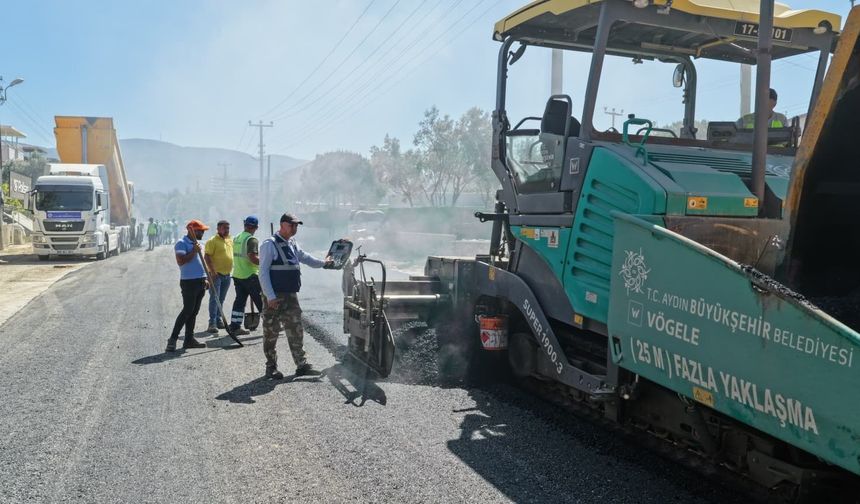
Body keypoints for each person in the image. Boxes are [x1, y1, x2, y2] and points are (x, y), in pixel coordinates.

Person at [259, 213, 333, 379]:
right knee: (271, 332)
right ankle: (271, 366)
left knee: (296, 330)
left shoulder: (292, 243)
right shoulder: (269, 245)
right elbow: (262, 273)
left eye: (296, 226)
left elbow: (305, 257)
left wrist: (324, 262)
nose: (295, 228)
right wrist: (270, 296)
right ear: (283, 225)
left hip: (290, 296)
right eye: (292, 225)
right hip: (274, 297)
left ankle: (301, 365)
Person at [166, 220, 210, 352]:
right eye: (200, 231)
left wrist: (205, 278)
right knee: (187, 311)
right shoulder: (182, 243)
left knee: (194, 312)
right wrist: (194, 252)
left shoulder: (197, 243)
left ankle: (189, 340)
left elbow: (200, 262)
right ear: (192, 230)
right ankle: (172, 339)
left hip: (200, 281)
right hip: (189, 282)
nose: (202, 233)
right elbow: (181, 261)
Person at [228, 215, 262, 336]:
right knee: (262, 301)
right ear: (256, 227)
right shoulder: (252, 240)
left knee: (240, 301)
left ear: (245, 225)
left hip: (238, 275)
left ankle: (235, 326)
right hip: (250, 275)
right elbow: (252, 257)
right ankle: (271, 325)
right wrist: (265, 263)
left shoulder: (237, 237)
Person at [204, 220, 233, 333]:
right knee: (214, 299)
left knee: (221, 299)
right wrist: (212, 271)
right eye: (225, 228)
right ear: (218, 228)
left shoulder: (229, 239)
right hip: (216, 275)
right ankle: (212, 323)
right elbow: (207, 257)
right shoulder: (212, 241)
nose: (227, 230)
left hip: (227, 275)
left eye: (228, 228)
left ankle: (218, 319)